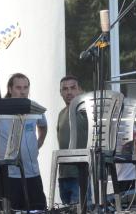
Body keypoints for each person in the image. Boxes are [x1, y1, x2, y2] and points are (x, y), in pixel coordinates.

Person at [0, 73, 48, 210]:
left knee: (38, 210)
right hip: (8, 175)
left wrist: (38, 144)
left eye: (25, 87)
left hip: (33, 173)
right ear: (10, 89)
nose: (23, 91)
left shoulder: (34, 107)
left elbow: (43, 126)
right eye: (18, 87)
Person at [55, 74, 88, 205]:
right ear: (60, 92)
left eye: (73, 88)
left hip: (80, 175)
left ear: (80, 89)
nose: (69, 92)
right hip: (63, 175)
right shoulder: (61, 113)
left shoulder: (85, 110)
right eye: (65, 89)